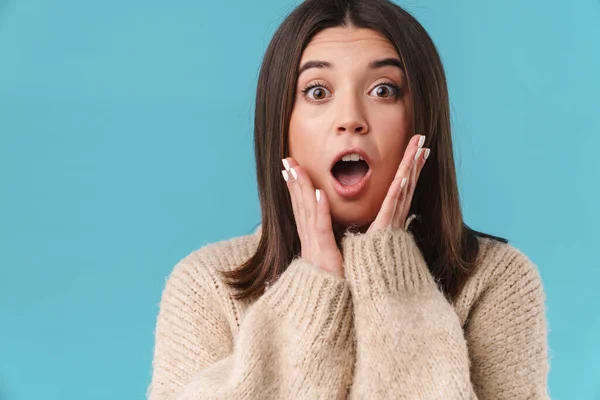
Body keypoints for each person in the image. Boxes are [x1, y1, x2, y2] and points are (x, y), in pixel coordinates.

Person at [146, 0, 551, 398]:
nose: (351, 118)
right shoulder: (208, 286)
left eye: (383, 90)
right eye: (318, 91)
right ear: (280, 124)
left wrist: (391, 281)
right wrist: (315, 285)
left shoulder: (497, 282)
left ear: (423, 118)